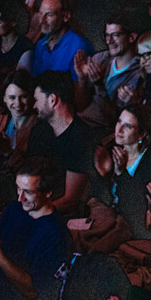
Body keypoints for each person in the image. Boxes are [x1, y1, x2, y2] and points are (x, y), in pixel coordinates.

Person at [0, 160, 71, 300]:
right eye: (18, 188)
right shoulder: (13, 209)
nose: (20, 198)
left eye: (28, 192)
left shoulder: (56, 235)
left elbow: (34, 293)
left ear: (47, 192)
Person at [93, 105, 151, 242]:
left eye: (128, 126)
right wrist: (104, 176)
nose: (119, 129)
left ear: (142, 134)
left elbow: (137, 210)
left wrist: (121, 175)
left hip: (132, 231)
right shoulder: (112, 151)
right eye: (119, 122)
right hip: (110, 221)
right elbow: (103, 200)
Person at [27, 71, 95, 215]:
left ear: (52, 100)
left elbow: (70, 199)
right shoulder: (39, 131)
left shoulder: (82, 138)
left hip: (60, 213)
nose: (34, 106)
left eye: (37, 100)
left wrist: (34, 212)